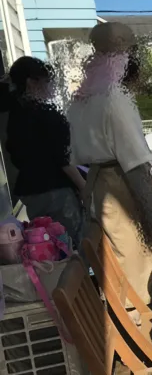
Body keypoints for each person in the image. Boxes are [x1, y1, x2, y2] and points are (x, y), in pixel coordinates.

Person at [68, 22, 152, 306]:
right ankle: (139, 332)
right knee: (139, 265)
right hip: (121, 185)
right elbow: (136, 164)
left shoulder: (82, 98)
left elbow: (74, 154)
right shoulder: (116, 97)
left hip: (97, 184)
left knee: (117, 259)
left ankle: (128, 325)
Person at [5, 57, 86, 246]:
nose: (50, 86)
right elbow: (63, 158)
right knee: (71, 245)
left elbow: (15, 155)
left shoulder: (14, 114)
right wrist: (83, 186)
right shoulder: (46, 114)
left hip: (28, 192)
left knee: (45, 247)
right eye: (46, 80)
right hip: (56, 192)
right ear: (31, 82)